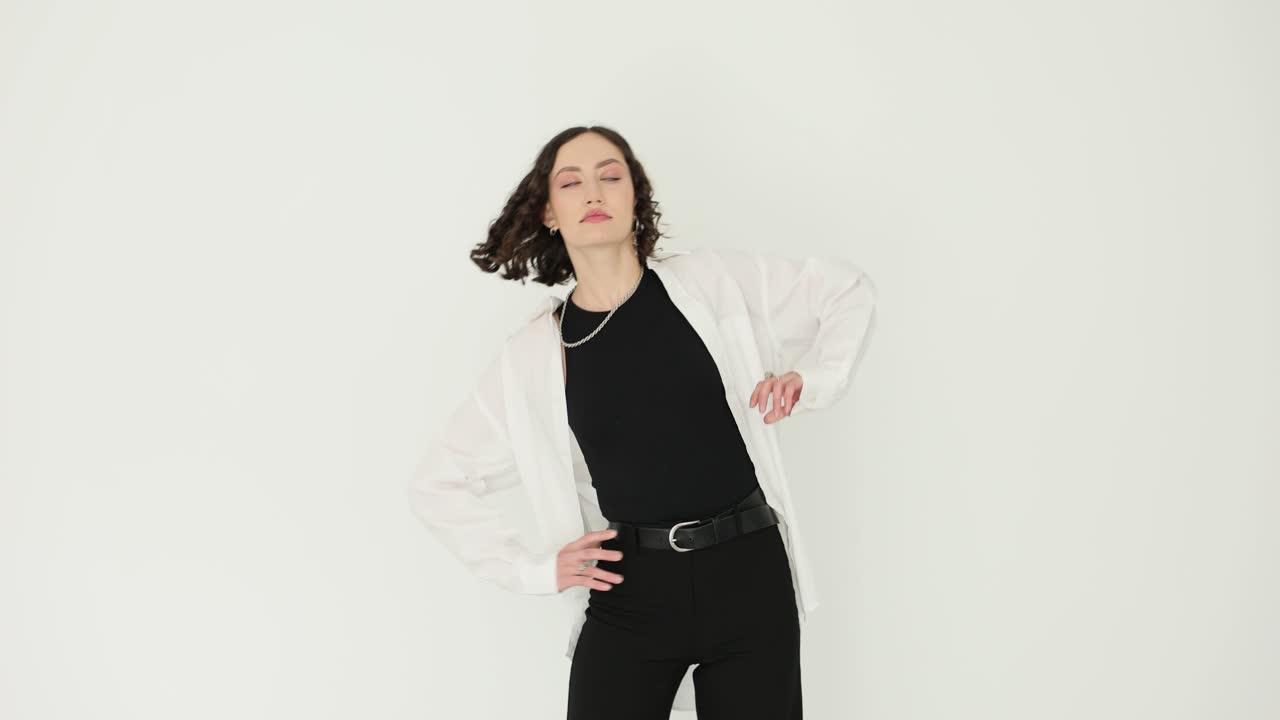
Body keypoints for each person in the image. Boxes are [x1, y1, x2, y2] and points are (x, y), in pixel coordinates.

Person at [409, 125, 876, 719]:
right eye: (571, 183)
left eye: (610, 176)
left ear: (636, 196)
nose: (593, 192)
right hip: (630, 592)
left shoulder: (711, 283)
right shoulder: (534, 355)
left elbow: (844, 291)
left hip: (748, 573)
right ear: (549, 212)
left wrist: (812, 379)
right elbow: (438, 482)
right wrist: (534, 569)